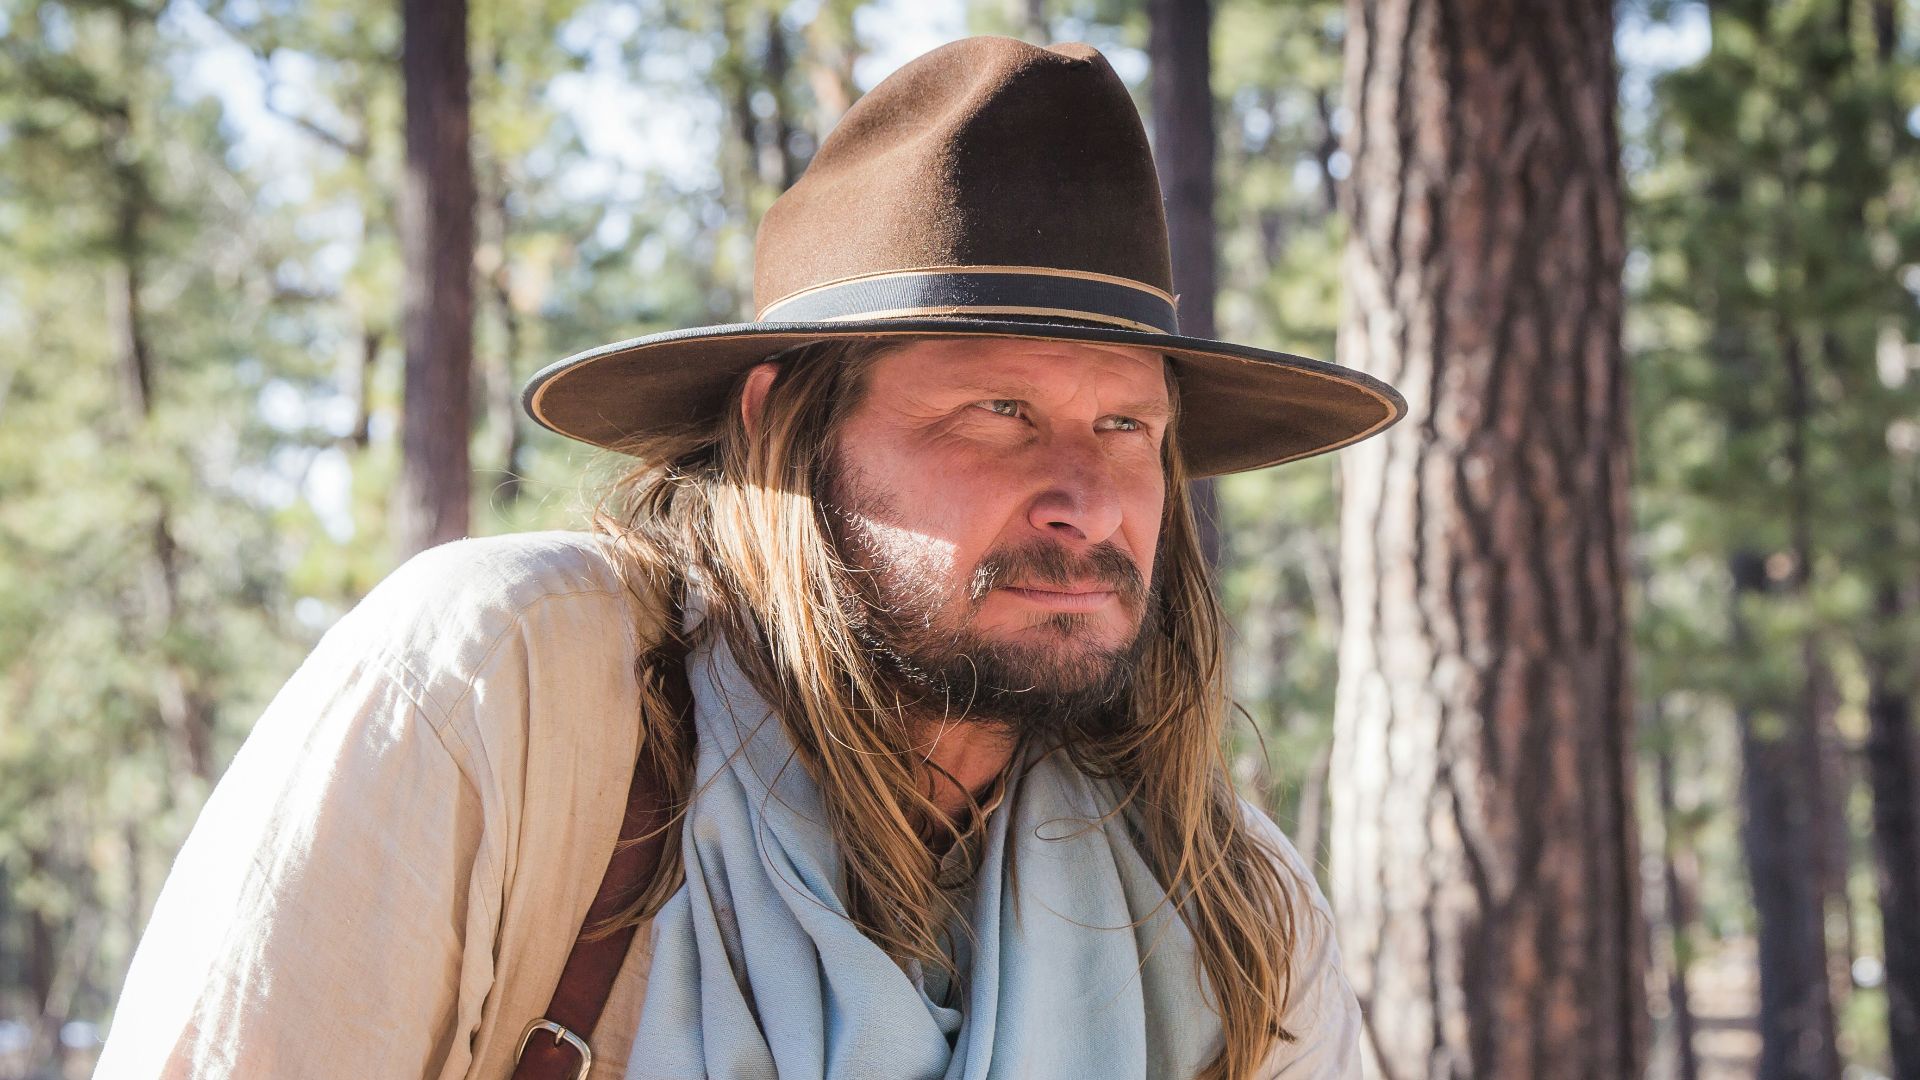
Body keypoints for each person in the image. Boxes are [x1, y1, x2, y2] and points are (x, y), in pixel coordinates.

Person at [95, 34, 1405, 1080]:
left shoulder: (1226, 905)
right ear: (784, 422)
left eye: (1126, 425)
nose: (1085, 500)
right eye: (995, 412)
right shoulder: (511, 695)